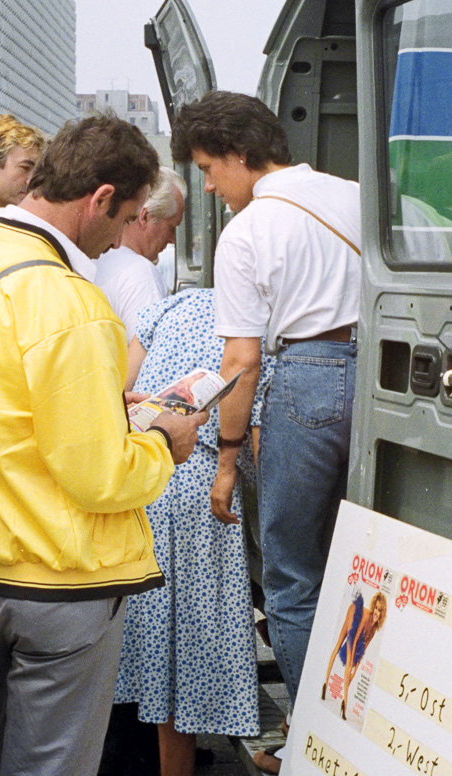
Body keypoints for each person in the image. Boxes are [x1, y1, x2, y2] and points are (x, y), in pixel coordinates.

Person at [0, 115, 208, 776]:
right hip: (59, 580)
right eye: (127, 215)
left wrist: (102, 408)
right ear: (100, 199)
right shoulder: (75, 305)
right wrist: (164, 438)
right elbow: (102, 476)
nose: (121, 235)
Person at [170, 91, 361, 775]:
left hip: (305, 376)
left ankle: (315, 738)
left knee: (290, 574)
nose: (212, 189)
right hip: (376, 376)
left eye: (210, 169)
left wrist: (226, 458)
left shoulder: (247, 233)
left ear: (241, 154)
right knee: (361, 562)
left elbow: (241, 360)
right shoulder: (355, 195)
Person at [113, 289, 274, 776]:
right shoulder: (259, 329)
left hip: (145, 472)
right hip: (203, 482)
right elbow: (256, 429)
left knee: (157, 639)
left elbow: (120, 383)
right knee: (190, 650)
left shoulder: (173, 303)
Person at [94, 166, 185, 330]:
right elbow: (151, 352)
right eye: (171, 227)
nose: (173, 240)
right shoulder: (141, 274)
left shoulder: (93, 259)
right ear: (145, 217)